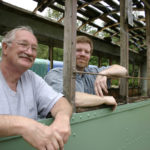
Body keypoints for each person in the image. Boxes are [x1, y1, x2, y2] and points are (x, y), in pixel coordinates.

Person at [0, 26, 72, 150]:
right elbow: (26, 126)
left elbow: (61, 102)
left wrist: (62, 118)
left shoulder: (32, 78)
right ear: (5, 48)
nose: (29, 52)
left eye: (34, 48)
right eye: (23, 45)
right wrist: (25, 125)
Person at [44, 36, 127, 110]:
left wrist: (105, 73)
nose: (83, 54)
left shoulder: (93, 72)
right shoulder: (55, 74)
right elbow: (69, 98)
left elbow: (123, 71)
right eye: (78, 50)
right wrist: (104, 99)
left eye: (87, 52)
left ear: (90, 56)